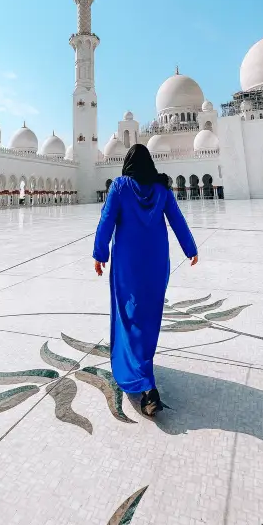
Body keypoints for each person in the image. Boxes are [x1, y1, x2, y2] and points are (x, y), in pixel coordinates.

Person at [93, 143, 198, 417]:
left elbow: (106, 221)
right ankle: (144, 369)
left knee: (130, 316)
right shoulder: (161, 189)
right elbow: (177, 220)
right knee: (148, 316)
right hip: (155, 262)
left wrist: (99, 253)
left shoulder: (119, 186)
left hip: (128, 264)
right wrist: (191, 249)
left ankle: (145, 384)